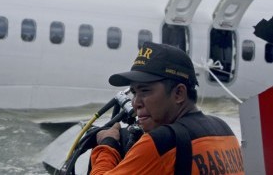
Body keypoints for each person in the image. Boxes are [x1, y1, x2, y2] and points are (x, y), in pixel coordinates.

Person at [90, 42, 244, 175]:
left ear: (179, 93)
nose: (136, 102)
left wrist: (107, 144)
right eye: (134, 92)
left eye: (145, 91)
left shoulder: (159, 143)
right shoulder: (224, 130)